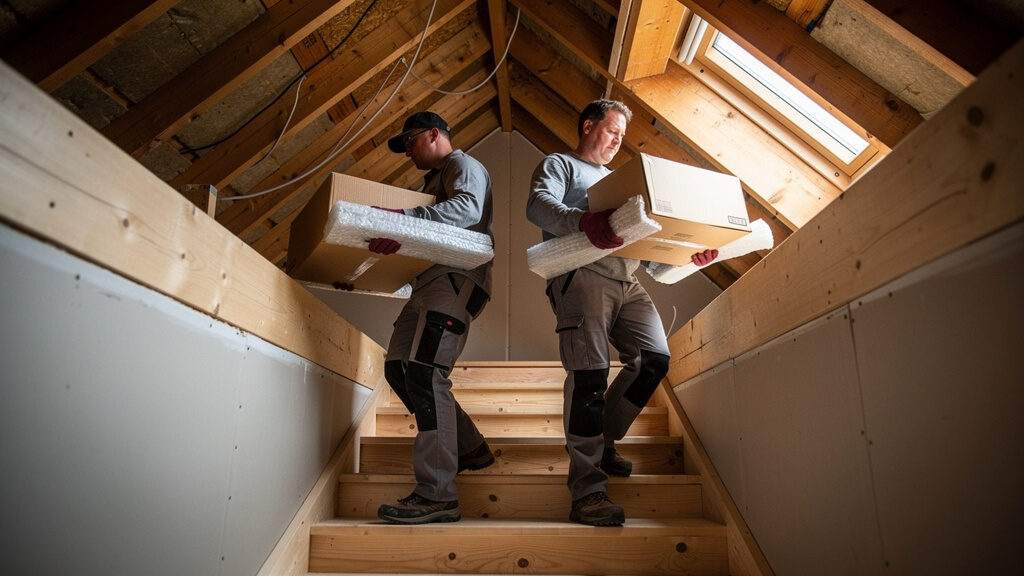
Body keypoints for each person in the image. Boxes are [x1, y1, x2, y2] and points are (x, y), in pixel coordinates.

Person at [526, 99, 718, 526]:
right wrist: (584, 222)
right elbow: (537, 206)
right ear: (588, 124)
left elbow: (654, 259)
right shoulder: (561, 165)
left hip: (629, 280)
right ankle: (588, 493)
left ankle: (602, 440)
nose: (616, 142)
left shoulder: (623, 183)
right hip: (580, 274)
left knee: (654, 359)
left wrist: (690, 258)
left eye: (621, 136)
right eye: (612, 131)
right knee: (590, 376)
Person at [371, 111, 495, 524]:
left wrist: (400, 219)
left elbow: (466, 211)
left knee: (425, 373)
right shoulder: (428, 185)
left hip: (455, 281)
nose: (407, 152)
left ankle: (437, 494)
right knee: (397, 369)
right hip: (427, 284)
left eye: (409, 142)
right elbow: (426, 240)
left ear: (432, 135)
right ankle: (470, 448)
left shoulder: (463, 165)